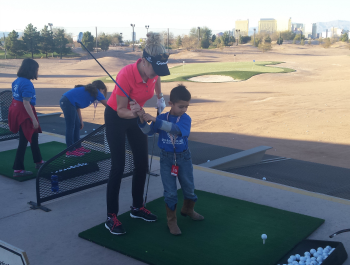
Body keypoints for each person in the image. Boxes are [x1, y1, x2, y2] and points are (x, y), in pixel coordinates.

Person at [104, 32, 168, 235]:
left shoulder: (153, 71)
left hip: (136, 114)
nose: (155, 74)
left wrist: (159, 97)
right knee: (118, 165)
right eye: (153, 70)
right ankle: (111, 217)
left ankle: (137, 207)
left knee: (142, 163)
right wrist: (137, 112)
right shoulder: (126, 75)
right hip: (117, 116)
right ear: (143, 62)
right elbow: (121, 110)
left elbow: (156, 79)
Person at [138, 84, 204, 235]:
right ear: (171, 104)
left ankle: (188, 210)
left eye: (187, 106)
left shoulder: (185, 119)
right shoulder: (162, 118)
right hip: (167, 159)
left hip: (184, 158)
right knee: (170, 192)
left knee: (189, 188)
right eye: (181, 106)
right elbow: (148, 132)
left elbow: (176, 130)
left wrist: (154, 120)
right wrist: (142, 120)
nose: (184, 109)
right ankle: (171, 221)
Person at [8, 59, 45, 177]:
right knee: (24, 140)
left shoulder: (17, 80)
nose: (37, 71)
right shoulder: (27, 83)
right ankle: (18, 169)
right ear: (32, 70)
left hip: (17, 110)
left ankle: (38, 161)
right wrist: (34, 119)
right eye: (36, 69)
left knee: (34, 135)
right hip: (24, 112)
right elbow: (26, 103)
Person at [60, 80, 108, 157]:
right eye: (104, 91)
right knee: (70, 127)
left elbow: (77, 107)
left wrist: (80, 121)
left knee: (76, 125)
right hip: (67, 102)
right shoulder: (97, 92)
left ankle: (77, 146)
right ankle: (70, 150)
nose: (103, 93)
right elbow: (108, 105)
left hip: (68, 102)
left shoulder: (91, 92)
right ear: (101, 89)